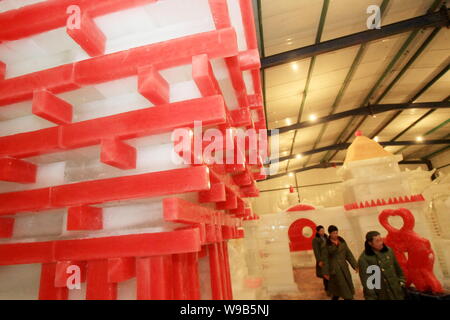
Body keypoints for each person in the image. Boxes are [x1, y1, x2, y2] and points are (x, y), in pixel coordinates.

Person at [358, 231, 406, 300]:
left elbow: (397, 267)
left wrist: (402, 281)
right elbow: (367, 282)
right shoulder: (364, 259)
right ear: (370, 243)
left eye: (381, 240)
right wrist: (372, 297)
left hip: (396, 291)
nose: (381, 243)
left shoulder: (388, 251)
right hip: (382, 294)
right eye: (377, 241)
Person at [321, 225, 358, 300]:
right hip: (334, 269)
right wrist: (325, 272)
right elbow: (325, 259)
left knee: (341, 288)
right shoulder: (326, 245)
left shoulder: (342, 241)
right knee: (342, 288)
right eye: (334, 233)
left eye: (336, 233)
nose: (335, 235)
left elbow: (348, 254)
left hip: (344, 268)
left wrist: (355, 265)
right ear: (330, 234)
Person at [312, 225, 328, 292]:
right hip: (322, 259)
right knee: (325, 274)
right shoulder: (315, 240)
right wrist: (319, 260)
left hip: (328, 259)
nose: (323, 231)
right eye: (321, 231)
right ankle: (327, 289)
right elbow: (316, 251)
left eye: (323, 230)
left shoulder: (326, 237)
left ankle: (332, 288)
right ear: (318, 232)